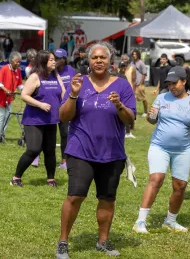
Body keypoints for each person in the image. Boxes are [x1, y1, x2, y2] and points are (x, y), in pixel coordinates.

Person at [55, 42, 136, 259]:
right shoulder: (79, 82)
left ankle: (103, 241)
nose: (99, 61)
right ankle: (63, 242)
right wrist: (73, 95)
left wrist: (119, 105)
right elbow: (64, 117)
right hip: (81, 150)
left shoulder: (122, 86)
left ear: (111, 61)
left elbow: (130, 120)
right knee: (75, 195)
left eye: (103, 57)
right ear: (88, 61)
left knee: (107, 198)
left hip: (112, 153)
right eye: (95, 58)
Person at [132, 66, 190, 234]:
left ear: (184, 81)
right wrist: (151, 116)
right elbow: (152, 121)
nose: (171, 87)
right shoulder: (162, 98)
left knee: (180, 186)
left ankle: (170, 221)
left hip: (182, 150)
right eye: (169, 84)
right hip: (160, 146)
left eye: (175, 83)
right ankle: (140, 222)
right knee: (156, 179)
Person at [10, 50, 65, 187]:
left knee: (50, 151)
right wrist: (40, 104)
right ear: (43, 61)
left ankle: (50, 179)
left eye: (54, 59)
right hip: (34, 120)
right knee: (34, 149)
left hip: (51, 119)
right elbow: (24, 95)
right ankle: (16, 178)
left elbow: (63, 93)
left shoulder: (55, 75)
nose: (54, 61)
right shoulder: (35, 76)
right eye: (51, 59)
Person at [0, 51, 24, 143]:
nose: (18, 63)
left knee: (8, 116)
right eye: (17, 61)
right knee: (1, 115)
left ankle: (2, 134)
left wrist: (25, 91)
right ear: (11, 61)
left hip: (9, 98)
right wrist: (6, 90)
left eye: (19, 61)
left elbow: (20, 84)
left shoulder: (18, 71)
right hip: (0, 97)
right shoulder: (4, 69)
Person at [54, 48, 77, 169]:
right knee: (49, 134)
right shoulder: (50, 71)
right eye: (55, 58)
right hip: (52, 106)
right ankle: (37, 157)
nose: (56, 61)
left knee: (64, 133)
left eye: (59, 59)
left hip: (65, 107)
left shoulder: (71, 71)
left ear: (64, 59)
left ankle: (64, 160)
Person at [120, 54, 136, 139]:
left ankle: (130, 130)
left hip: (129, 92)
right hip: (122, 92)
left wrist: (133, 91)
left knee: (130, 110)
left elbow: (134, 80)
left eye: (125, 59)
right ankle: (127, 131)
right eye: (122, 59)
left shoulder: (132, 68)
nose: (123, 60)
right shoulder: (119, 72)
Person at [131, 49, 149, 117]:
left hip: (139, 84)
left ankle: (145, 112)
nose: (134, 56)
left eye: (135, 54)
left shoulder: (141, 63)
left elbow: (144, 74)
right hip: (133, 84)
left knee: (143, 98)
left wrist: (141, 83)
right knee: (133, 98)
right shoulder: (132, 63)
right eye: (133, 54)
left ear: (138, 55)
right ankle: (133, 111)